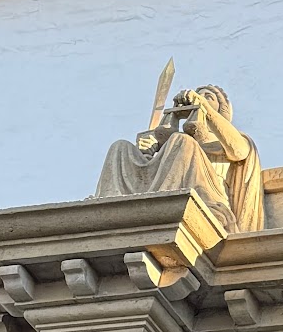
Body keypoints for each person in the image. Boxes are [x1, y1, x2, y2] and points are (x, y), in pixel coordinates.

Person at [95, 82, 263, 234]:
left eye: (208, 97)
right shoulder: (175, 144)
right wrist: (148, 151)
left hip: (206, 199)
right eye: (200, 95)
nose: (200, 98)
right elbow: (152, 164)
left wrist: (203, 106)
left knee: (182, 141)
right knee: (120, 147)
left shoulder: (229, 139)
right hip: (162, 185)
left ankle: (159, 203)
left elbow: (239, 151)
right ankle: (109, 205)